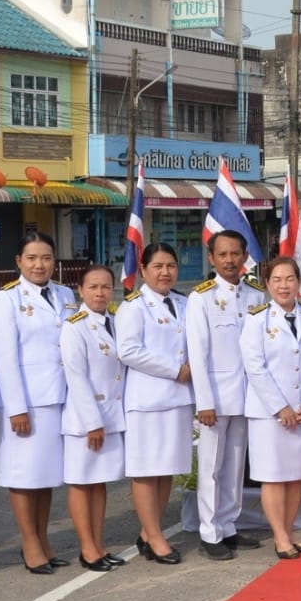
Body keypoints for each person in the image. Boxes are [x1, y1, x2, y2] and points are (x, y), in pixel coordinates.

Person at [0, 234, 76, 574]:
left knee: (46, 475)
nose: (39, 265)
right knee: (24, 475)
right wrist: (16, 407)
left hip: (60, 397)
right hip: (28, 400)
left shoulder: (65, 294)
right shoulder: (6, 299)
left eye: (46, 258)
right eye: (31, 258)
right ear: (19, 261)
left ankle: (43, 539)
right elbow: (5, 357)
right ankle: (29, 543)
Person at [185, 229, 264, 559]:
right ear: (212, 258)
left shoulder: (256, 296)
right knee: (211, 466)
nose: (230, 260)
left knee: (234, 464)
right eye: (223, 254)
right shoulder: (200, 298)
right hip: (215, 399)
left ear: (245, 256)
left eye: (236, 254)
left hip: (246, 397)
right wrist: (204, 401)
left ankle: (229, 525)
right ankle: (209, 531)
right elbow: (197, 354)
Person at [240, 256, 301, 560]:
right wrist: (280, 407)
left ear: (298, 282)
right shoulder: (256, 319)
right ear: (267, 284)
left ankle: (289, 532)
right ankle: (279, 537)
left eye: (289, 279)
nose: (283, 285)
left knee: (295, 475)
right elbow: (254, 366)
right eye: (276, 280)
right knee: (274, 476)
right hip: (270, 415)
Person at [116, 241, 194, 565]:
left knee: (166, 470)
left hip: (178, 400)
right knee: (147, 471)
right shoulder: (133, 307)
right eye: (158, 266)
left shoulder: (185, 302)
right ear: (144, 270)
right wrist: (175, 370)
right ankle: (156, 536)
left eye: (170, 266)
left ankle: (150, 532)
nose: (165, 272)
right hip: (147, 400)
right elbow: (128, 351)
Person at [59, 264, 127, 572]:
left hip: (112, 416)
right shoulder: (74, 325)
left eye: (105, 287)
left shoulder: (115, 321)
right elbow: (77, 377)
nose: (100, 293)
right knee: (81, 482)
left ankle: (99, 544)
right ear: (80, 290)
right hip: (86, 420)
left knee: (100, 483)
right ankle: (87, 548)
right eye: (93, 287)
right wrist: (92, 422)